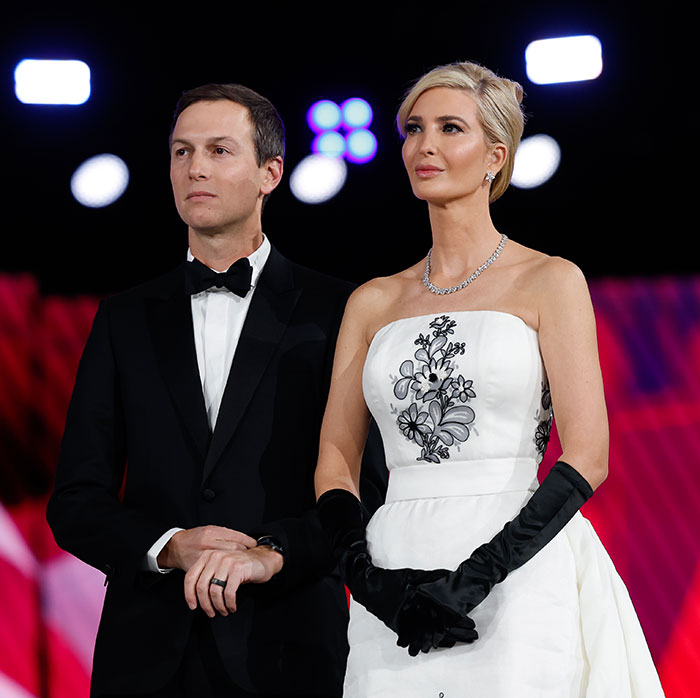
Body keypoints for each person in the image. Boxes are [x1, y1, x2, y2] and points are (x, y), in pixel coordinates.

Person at [313, 61, 665, 697]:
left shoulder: (549, 280)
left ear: (494, 156)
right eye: (414, 129)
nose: (426, 145)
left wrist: (477, 577)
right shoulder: (372, 301)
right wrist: (372, 584)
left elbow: (589, 455)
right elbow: (334, 463)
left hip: (517, 562)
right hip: (395, 569)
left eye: (451, 128)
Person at [47, 83, 386, 698]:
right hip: (146, 656)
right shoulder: (123, 317)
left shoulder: (341, 310)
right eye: (181, 152)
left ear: (270, 172)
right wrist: (170, 546)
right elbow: (75, 501)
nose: (195, 167)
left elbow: (371, 487)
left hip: (289, 650)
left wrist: (273, 552)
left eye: (219, 150)